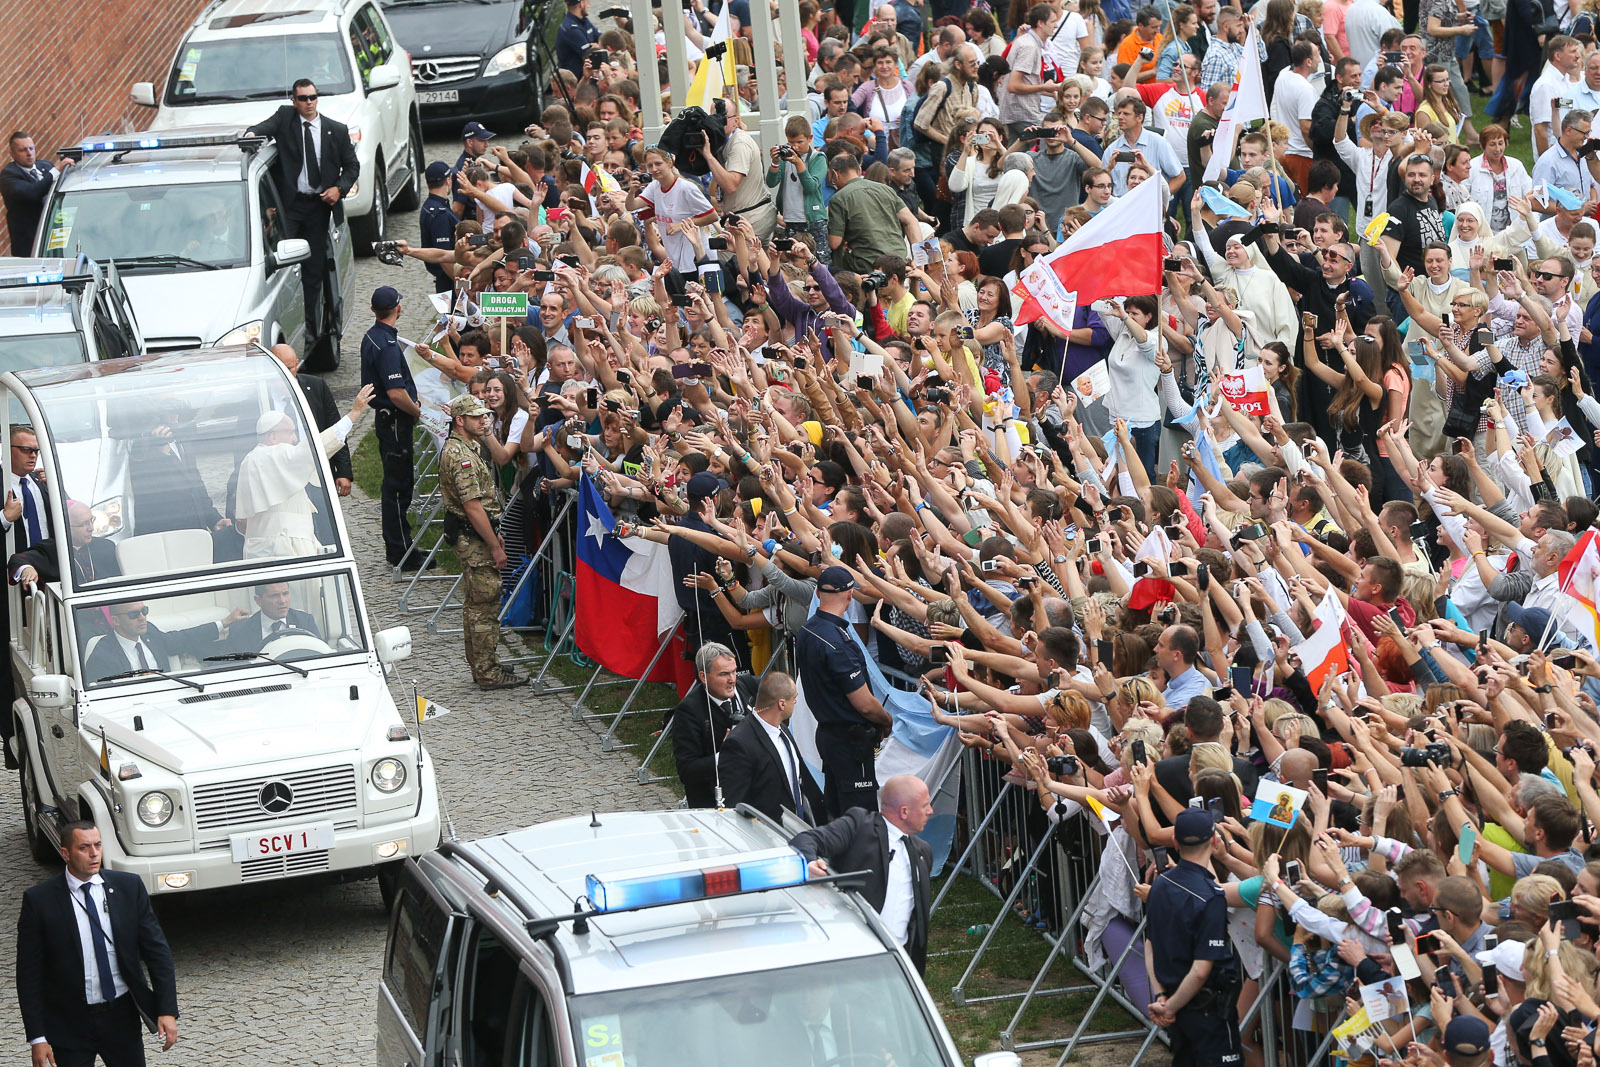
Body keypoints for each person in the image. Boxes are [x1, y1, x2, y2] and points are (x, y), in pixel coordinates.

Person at [15, 822, 179, 1067]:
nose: (94, 853)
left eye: (98, 845)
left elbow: (158, 953)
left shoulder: (128, 888)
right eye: (84, 847)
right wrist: (38, 1037)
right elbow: (29, 974)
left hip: (121, 1018)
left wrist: (166, 1010)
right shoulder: (39, 900)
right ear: (65, 853)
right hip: (69, 1023)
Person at [245, 79, 359, 339]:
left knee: (314, 267)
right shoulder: (285, 118)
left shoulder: (336, 130)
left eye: (313, 97)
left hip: (320, 206)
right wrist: (250, 136)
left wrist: (338, 188)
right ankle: (286, 317)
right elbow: (262, 128)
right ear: (294, 101)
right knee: (282, 262)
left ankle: (313, 328)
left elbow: (352, 166)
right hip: (291, 206)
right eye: (303, 98)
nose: (309, 102)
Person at [789, 774, 934, 973]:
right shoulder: (859, 826)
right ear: (904, 811)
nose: (930, 811)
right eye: (925, 805)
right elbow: (806, 840)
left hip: (899, 963)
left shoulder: (922, 852)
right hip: (856, 956)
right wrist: (810, 862)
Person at [439, 393, 525, 690]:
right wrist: (495, 547)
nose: (484, 420)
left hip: (476, 532)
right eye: (477, 417)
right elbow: (473, 506)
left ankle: (483, 664)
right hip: (474, 538)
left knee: (476, 605)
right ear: (460, 420)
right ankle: (488, 672)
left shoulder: (466, 447)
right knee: (484, 607)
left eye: (484, 415)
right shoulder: (461, 456)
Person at [1144, 809, 1242, 1067]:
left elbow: (1150, 945)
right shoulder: (1211, 896)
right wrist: (1170, 1007)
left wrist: (1161, 995)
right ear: (1215, 841)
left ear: (1174, 842)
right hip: (1205, 1011)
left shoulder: (1160, 885)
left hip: (1175, 1002)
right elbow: (1200, 970)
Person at [794, 566, 892, 818]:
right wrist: (886, 720)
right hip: (850, 741)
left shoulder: (807, 630)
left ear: (818, 593)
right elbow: (864, 704)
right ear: (850, 595)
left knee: (837, 812)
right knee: (860, 818)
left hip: (829, 735)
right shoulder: (836, 641)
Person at [361, 286, 429, 570]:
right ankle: (401, 552)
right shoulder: (387, 345)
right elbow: (397, 393)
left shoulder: (372, 336)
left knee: (395, 485)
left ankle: (402, 545)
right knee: (399, 488)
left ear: (373, 310)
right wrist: (416, 412)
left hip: (388, 420)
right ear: (398, 309)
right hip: (395, 422)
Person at [717, 671, 825, 823]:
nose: (796, 701)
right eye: (794, 698)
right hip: (766, 833)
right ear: (782, 704)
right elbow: (735, 805)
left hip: (797, 829)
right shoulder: (739, 744)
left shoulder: (783, 730)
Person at [668, 642, 760, 807]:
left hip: (755, 797)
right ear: (703, 677)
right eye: (724, 674)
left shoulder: (748, 685)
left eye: (734, 671)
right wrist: (723, 755)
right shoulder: (688, 711)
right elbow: (687, 771)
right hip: (715, 805)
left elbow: (780, 688)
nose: (732, 680)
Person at [83, 599, 249, 682]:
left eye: (144, 611)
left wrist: (225, 622)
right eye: (134, 614)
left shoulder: (150, 633)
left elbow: (184, 638)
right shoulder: (102, 656)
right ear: (116, 621)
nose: (142, 618)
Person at [825, 152, 920, 274]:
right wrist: (919, 258)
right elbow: (911, 221)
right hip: (898, 261)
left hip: (867, 265)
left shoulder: (838, 198)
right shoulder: (887, 189)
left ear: (834, 174)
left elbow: (834, 243)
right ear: (859, 170)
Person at [8, 500, 122, 589]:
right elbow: (17, 559)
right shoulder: (50, 549)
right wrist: (27, 569)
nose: (91, 528)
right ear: (65, 526)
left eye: (91, 520)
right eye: (83, 524)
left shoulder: (106, 546)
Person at [1, 131, 65, 255]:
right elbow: (33, 192)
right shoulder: (8, 176)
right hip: (30, 246)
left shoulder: (46, 166)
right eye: (23, 150)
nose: (29, 153)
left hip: (55, 237)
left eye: (31, 148)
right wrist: (56, 170)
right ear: (12, 154)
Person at [218, 582, 322, 654]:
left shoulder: (305, 622)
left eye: (285, 594)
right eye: (274, 596)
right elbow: (229, 666)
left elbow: (320, 654)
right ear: (258, 600)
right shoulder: (240, 631)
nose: (282, 601)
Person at [417, 162, 460, 293]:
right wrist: (461, 285)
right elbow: (443, 258)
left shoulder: (430, 206)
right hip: (449, 282)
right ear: (448, 180)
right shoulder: (440, 214)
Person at [556, 0, 601, 78]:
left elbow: (602, 38)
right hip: (576, 79)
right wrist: (599, 47)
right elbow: (590, 55)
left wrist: (598, 46)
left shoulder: (583, 20)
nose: (589, 5)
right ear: (581, 4)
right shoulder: (570, 29)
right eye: (587, 2)